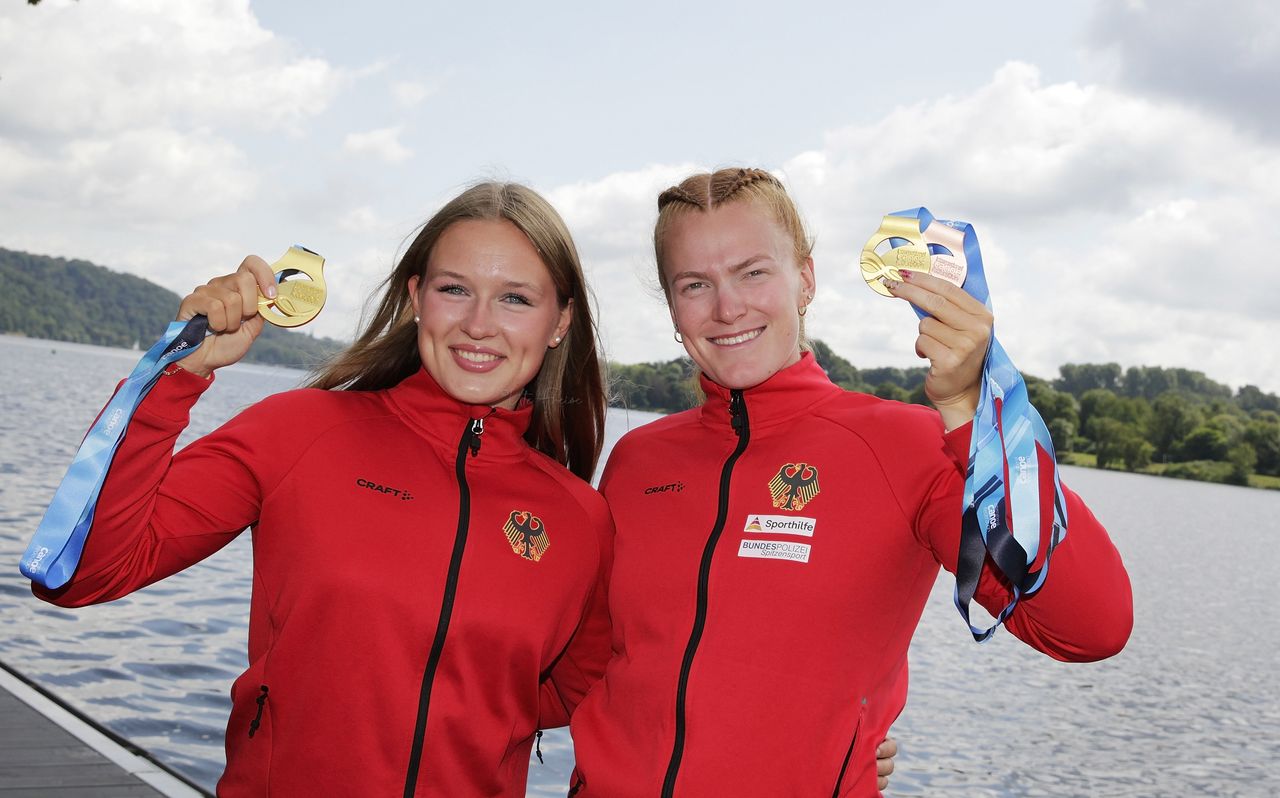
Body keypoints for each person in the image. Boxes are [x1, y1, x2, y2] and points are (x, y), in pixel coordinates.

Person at [31, 182, 616, 797]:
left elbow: (572, 693)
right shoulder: (301, 431)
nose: (478, 324)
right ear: (417, 297)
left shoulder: (579, 517)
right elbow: (81, 572)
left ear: (561, 321)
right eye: (454, 289)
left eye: (516, 299)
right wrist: (180, 369)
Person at [567, 168, 1134, 797]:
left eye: (754, 272)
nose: (727, 308)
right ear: (672, 306)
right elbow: (580, 663)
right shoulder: (639, 459)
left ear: (805, 278)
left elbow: (1089, 626)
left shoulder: (908, 447)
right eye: (695, 284)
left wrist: (978, 418)